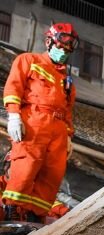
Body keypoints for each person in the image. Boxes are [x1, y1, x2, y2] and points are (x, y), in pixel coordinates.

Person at [2, 23, 78, 223]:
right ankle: (14, 212)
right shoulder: (28, 60)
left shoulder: (67, 82)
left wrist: (68, 136)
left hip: (59, 129)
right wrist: (14, 116)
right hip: (34, 122)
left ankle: (35, 216)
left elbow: (67, 110)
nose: (63, 52)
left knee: (51, 176)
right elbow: (13, 87)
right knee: (25, 168)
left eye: (67, 50)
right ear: (49, 42)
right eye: (60, 47)